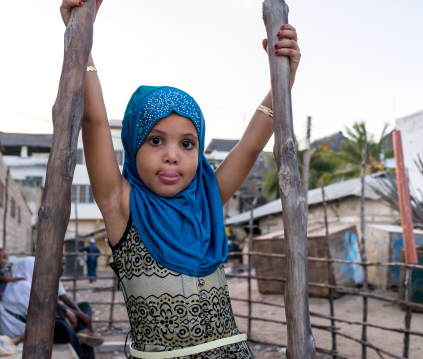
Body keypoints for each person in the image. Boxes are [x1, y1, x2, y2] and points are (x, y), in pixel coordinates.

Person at [60, 1, 301, 357]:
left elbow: (248, 148)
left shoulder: (207, 200)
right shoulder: (121, 205)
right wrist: (81, 37)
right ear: (132, 144)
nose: (172, 154)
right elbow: (94, 122)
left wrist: (284, 80)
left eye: (187, 144)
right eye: (155, 140)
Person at [0, 257, 101, 359]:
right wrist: (66, 312)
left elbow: (59, 301)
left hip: (32, 322)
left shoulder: (33, 284)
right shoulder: (22, 287)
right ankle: (80, 339)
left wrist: (74, 313)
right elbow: (47, 311)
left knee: (82, 308)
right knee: (61, 325)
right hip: (22, 330)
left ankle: (81, 332)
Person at [0, 248, 24, 332]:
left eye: (4, 258)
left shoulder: (4, 270)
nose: (2, 260)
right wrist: (18, 279)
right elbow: (5, 279)